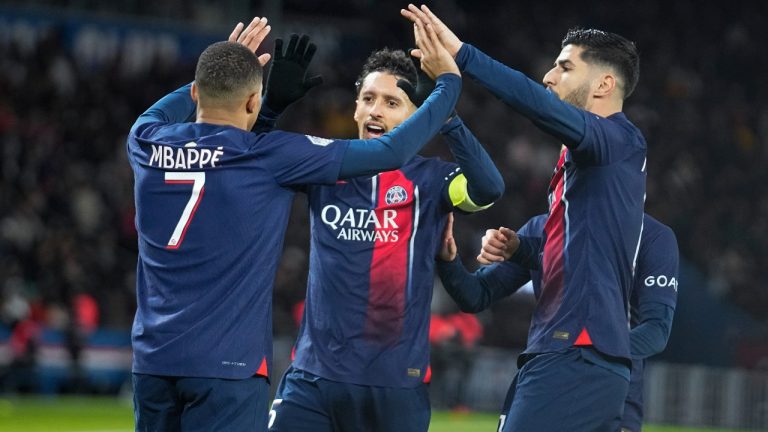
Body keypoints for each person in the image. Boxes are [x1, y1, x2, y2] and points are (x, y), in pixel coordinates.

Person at [127, 16, 462, 432]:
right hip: (227, 367)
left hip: (152, 361)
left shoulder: (143, 140)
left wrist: (230, 67)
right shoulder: (269, 155)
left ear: (196, 90)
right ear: (253, 102)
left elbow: (189, 104)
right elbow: (390, 153)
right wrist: (448, 84)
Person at [402, 4, 646, 430]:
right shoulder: (573, 193)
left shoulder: (618, 138)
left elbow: (537, 106)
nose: (549, 77)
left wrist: (462, 55)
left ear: (605, 83)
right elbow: (476, 297)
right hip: (573, 354)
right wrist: (511, 250)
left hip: (576, 350)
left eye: (564, 67)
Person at [267, 37, 504, 432]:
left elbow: (488, 188)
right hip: (314, 378)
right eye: (369, 98)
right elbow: (250, 160)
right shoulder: (324, 162)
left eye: (392, 103)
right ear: (356, 106)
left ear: (416, 117)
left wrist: (448, 119)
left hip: (394, 385)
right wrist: (270, 110)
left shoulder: (431, 179)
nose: (376, 110)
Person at [436, 212, 678, 431]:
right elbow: (476, 295)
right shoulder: (541, 228)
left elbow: (656, 330)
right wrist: (448, 259)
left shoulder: (652, 236)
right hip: (546, 375)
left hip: (612, 389)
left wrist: (590, 352)